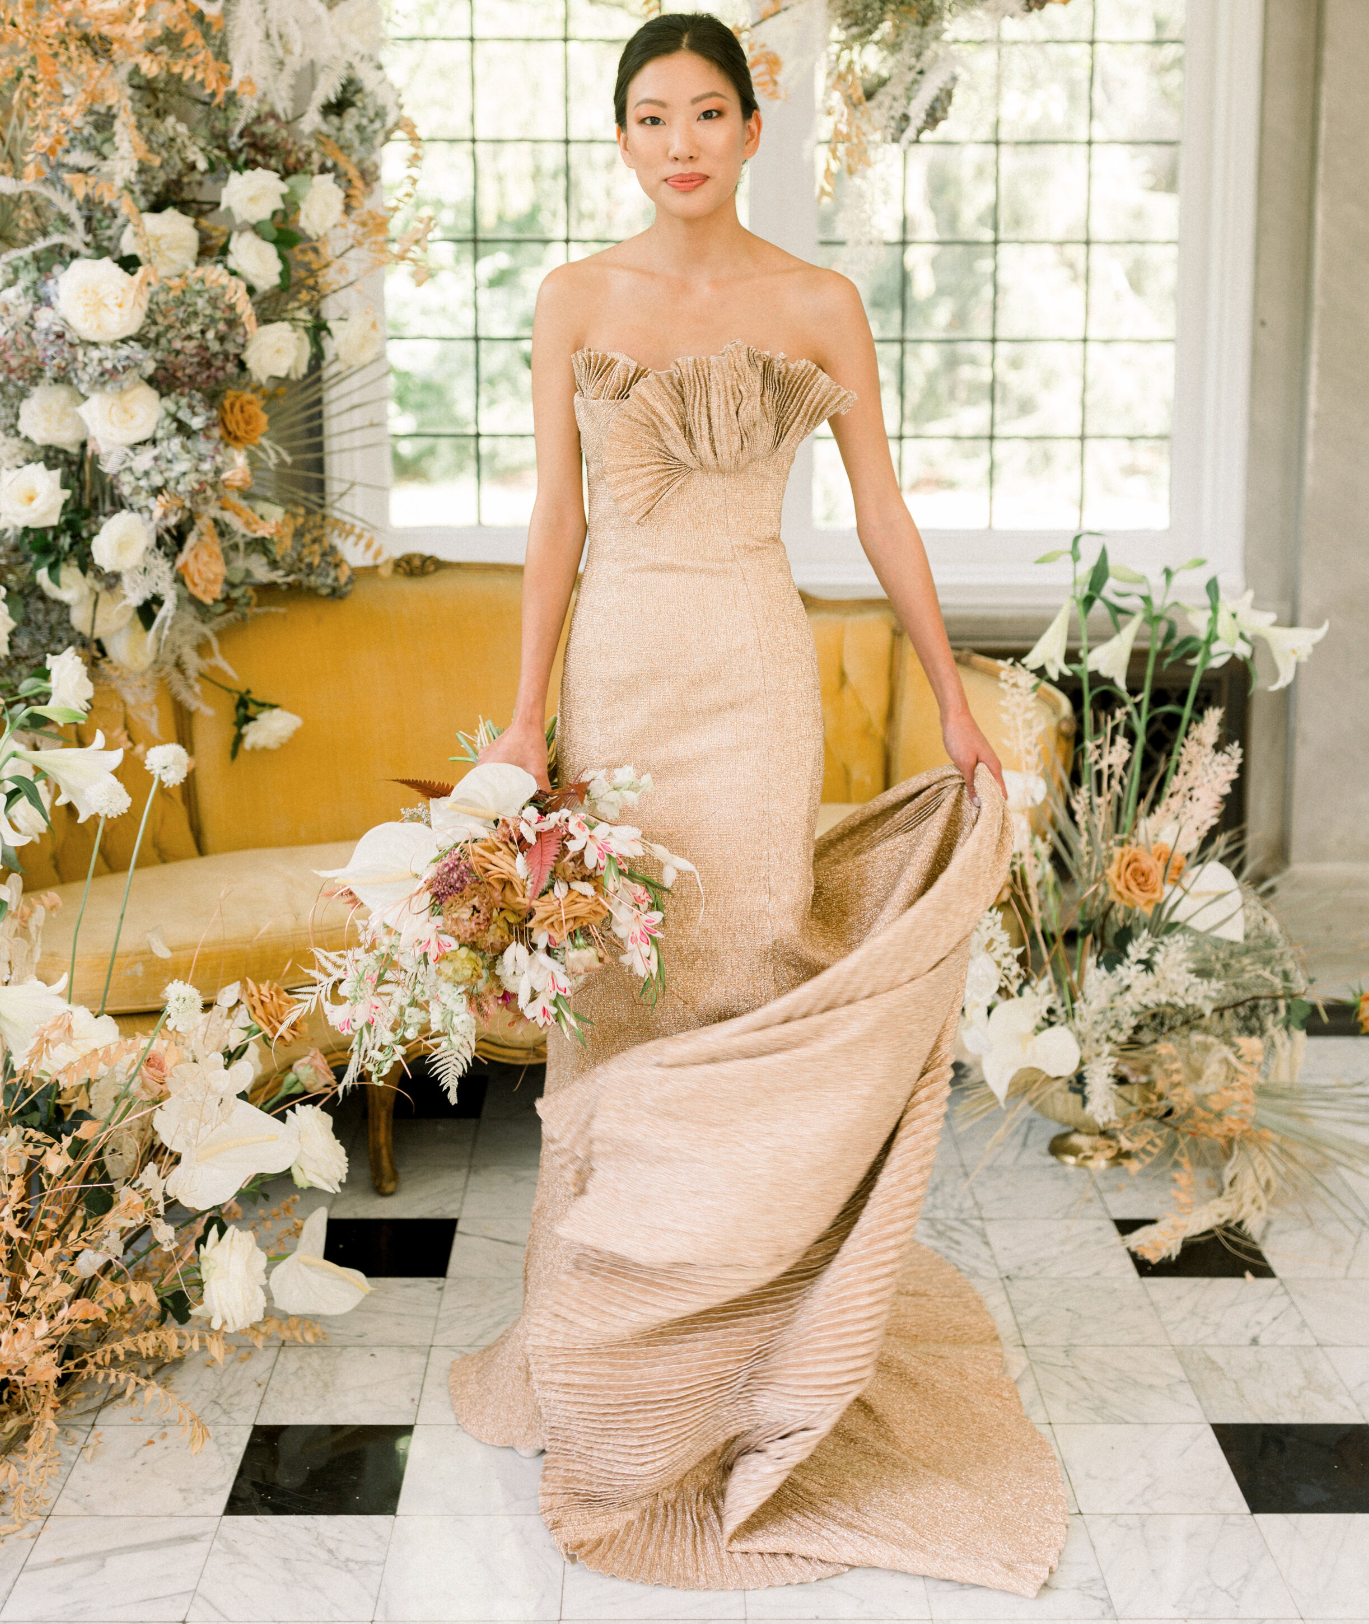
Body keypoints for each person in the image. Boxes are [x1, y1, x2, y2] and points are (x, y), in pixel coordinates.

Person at [450, 11, 1068, 1598]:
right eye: (650, 116)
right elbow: (554, 521)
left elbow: (880, 509)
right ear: (621, 136)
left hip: (752, 668)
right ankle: (607, 1356)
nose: (680, 143)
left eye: (707, 112)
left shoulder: (818, 301)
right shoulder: (574, 294)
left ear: (748, 126)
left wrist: (953, 691)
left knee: (746, 968)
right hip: (626, 672)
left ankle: (746, 1369)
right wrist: (526, 719)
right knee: (623, 989)